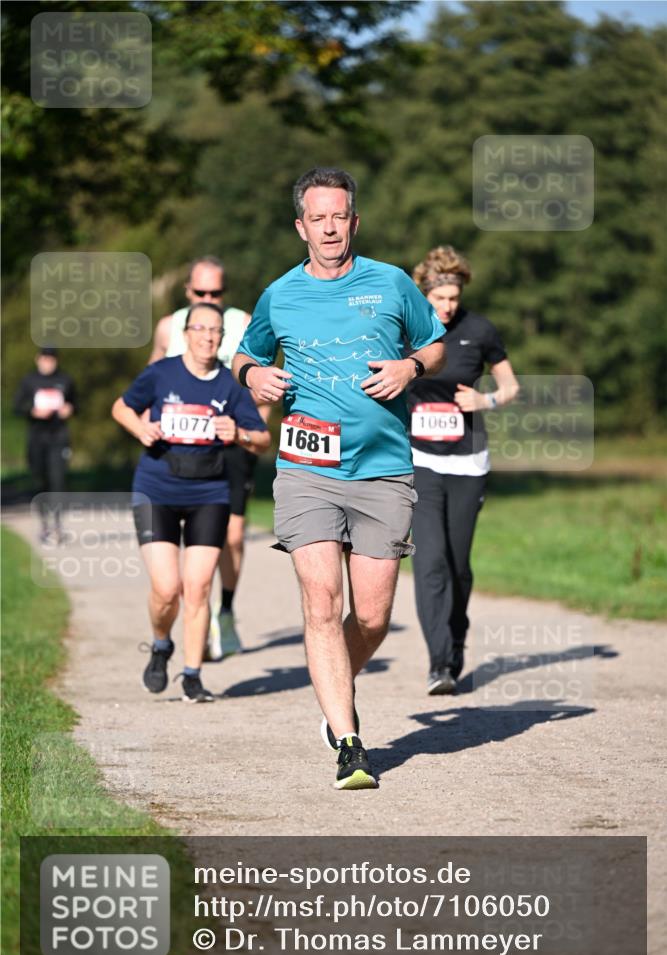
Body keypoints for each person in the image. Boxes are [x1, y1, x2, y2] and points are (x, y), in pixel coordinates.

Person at [232, 167, 446, 789]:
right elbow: (247, 353)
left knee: (372, 616)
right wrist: (253, 377)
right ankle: (348, 739)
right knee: (321, 601)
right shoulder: (281, 294)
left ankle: (334, 689)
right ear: (301, 226)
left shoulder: (392, 283)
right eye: (318, 218)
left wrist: (410, 367)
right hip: (306, 469)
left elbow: (435, 346)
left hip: (383, 469)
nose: (330, 227)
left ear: (355, 220)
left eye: (340, 216)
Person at [112, 302, 270, 703]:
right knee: (167, 589)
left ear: (222, 337)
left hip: (209, 493)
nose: (208, 336)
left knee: (197, 588)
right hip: (157, 490)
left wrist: (238, 433)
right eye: (200, 328)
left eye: (216, 330)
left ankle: (193, 674)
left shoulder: (231, 386)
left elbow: (263, 438)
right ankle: (162, 642)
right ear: (186, 333)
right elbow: (121, 407)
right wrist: (140, 428)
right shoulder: (160, 374)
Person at [408, 246, 519, 695]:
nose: (448, 305)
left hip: (468, 460)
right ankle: (439, 665)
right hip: (419, 459)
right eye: (440, 298)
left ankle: (455, 642)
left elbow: (510, 386)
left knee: (458, 565)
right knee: (429, 560)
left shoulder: (480, 330)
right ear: (426, 294)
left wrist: (485, 400)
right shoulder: (407, 330)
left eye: (454, 297)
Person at [150, 255, 268, 661]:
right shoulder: (169, 326)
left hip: (232, 439)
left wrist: (256, 420)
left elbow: (261, 374)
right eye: (200, 292)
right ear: (187, 292)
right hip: (180, 443)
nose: (208, 299)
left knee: (233, 536)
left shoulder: (244, 321)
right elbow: (153, 377)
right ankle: (191, 618)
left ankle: (228, 611)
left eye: (215, 292)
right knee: (185, 546)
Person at [13, 347, 77, 544]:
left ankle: (57, 526)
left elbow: (76, 404)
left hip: (58, 438)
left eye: (52, 359)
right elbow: (16, 407)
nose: (48, 362)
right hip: (36, 438)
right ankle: (44, 525)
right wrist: (32, 411)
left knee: (57, 482)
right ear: (38, 360)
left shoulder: (66, 380)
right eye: (45, 359)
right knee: (40, 481)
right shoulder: (29, 381)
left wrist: (70, 409)